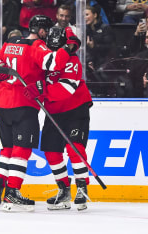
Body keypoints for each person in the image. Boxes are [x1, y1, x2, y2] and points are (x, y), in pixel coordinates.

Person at [0, 15, 80, 212]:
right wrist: (69, 47)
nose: (48, 36)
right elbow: (54, 63)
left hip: (2, 104)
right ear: (41, 31)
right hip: (23, 104)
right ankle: (13, 192)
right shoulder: (37, 46)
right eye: (46, 31)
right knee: (21, 150)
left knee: (7, 150)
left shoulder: (10, 43)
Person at [27, 26, 92, 211]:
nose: (55, 52)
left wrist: (42, 90)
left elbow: (67, 89)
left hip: (75, 109)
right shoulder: (45, 58)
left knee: (75, 148)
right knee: (51, 151)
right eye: (52, 48)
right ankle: (64, 190)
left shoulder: (72, 60)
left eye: (59, 48)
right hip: (54, 111)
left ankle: (81, 188)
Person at [85, 5, 115, 71]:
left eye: (87, 15)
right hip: (90, 62)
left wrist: (94, 46)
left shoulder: (105, 28)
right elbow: (86, 50)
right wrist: (89, 61)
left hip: (104, 62)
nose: (85, 17)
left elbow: (109, 47)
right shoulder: (86, 30)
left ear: (95, 15)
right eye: (83, 15)